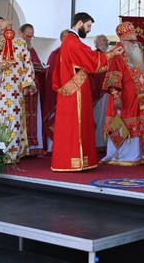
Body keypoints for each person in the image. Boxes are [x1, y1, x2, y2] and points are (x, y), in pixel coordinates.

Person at [52, 12, 121, 172]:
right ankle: (75, 161)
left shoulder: (69, 41)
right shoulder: (73, 42)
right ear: (80, 23)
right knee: (75, 125)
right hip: (75, 92)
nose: (89, 30)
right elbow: (91, 60)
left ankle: (72, 160)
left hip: (73, 90)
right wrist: (111, 54)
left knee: (72, 126)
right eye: (88, 26)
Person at [0, 17, 36, 160]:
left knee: (15, 120)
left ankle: (15, 151)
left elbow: (27, 64)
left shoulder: (19, 43)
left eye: (4, 25)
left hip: (15, 89)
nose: (2, 28)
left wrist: (27, 83)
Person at [101, 22, 144, 165]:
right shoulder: (117, 56)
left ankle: (141, 154)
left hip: (141, 99)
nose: (135, 43)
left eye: (135, 40)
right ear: (122, 41)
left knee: (142, 125)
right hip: (126, 99)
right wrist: (116, 96)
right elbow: (113, 78)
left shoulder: (137, 54)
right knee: (125, 124)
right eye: (131, 41)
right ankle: (123, 155)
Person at [20, 23, 46, 156]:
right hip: (19, 89)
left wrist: (40, 68)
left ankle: (35, 147)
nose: (30, 39)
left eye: (32, 36)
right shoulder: (16, 49)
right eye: (28, 36)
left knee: (34, 117)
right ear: (21, 34)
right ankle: (22, 148)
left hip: (33, 89)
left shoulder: (32, 50)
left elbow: (37, 65)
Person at [41, 28, 70, 147]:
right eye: (67, 37)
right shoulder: (55, 54)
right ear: (62, 39)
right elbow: (52, 76)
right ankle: (54, 146)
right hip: (56, 93)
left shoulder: (72, 53)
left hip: (70, 92)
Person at [92, 34, 111, 148]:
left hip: (107, 91)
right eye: (104, 41)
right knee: (97, 117)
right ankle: (97, 143)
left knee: (105, 117)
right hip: (97, 92)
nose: (107, 42)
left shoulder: (108, 56)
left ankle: (104, 142)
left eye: (107, 40)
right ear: (98, 43)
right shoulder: (94, 55)